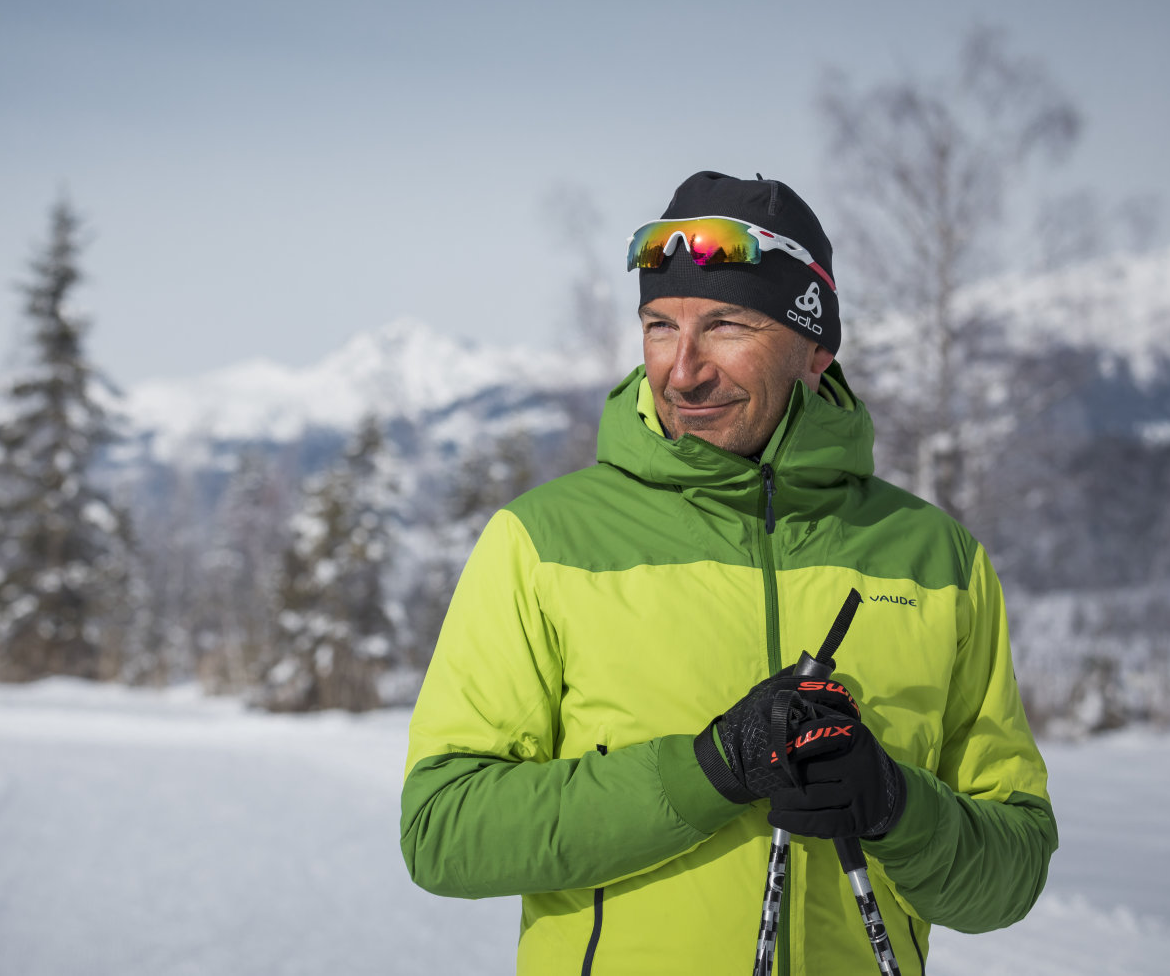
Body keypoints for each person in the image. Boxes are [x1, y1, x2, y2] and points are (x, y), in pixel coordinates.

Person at [399, 171, 1056, 974]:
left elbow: (1012, 873)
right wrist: (709, 768)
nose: (682, 370)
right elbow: (442, 831)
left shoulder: (936, 559)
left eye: (726, 325)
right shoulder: (543, 542)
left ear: (814, 346)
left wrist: (895, 805)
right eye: (659, 326)